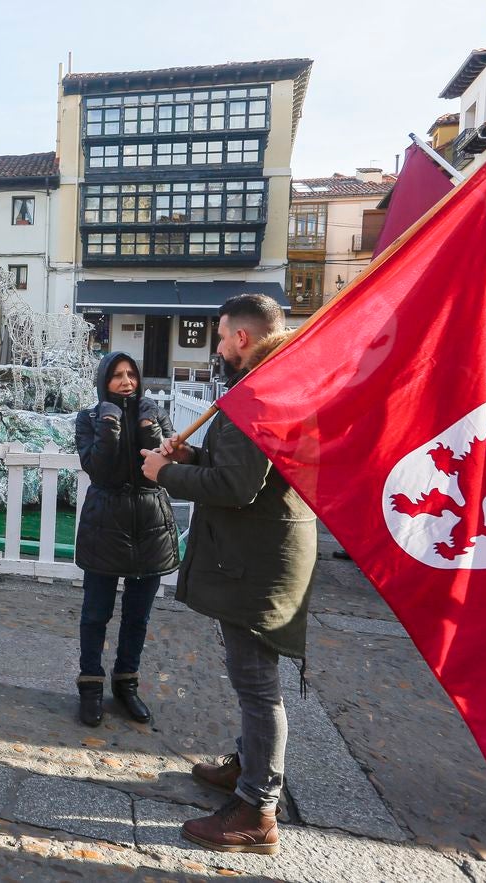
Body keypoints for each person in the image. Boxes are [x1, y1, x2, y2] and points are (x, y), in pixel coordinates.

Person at [141, 293, 315, 856]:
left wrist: (166, 471)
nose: (216, 345)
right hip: (258, 557)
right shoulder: (269, 382)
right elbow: (242, 471)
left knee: (257, 687)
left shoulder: (259, 392)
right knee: (252, 682)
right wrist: (194, 461)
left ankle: (256, 809)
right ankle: (249, 767)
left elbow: (237, 488)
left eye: (220, 336)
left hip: (256, 564)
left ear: (243, 337)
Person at [73, 351, 179, 728]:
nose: (125, 382)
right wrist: (109, 424)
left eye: (131, 374)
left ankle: (126, 683)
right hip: (106, 524)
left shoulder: (154, 413)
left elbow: (160, 469)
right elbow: (98, 469)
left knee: (138, 616)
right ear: (104, 380)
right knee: (95, 614)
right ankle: (90, 685)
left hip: (149, 525)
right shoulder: (88, 419)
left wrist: (150, 427)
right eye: (116, 375)